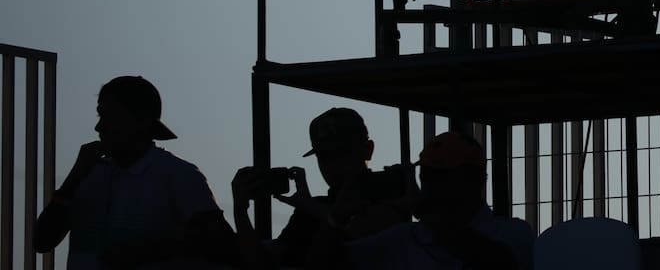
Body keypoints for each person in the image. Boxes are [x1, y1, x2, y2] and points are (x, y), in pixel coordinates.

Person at [32, 75, 237, 269]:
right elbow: (42, 242)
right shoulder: (88, 174)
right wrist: (73, 179)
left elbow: (222, 246)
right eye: (100, 115)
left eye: (111, 116)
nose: (99, 126)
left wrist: (151, 251)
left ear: (141, 122)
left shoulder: (178, 175)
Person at [232, 107, 408, 269]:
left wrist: (310, 206)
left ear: (367, 149)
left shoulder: (390, 185)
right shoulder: (310, 210)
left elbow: (374, 228)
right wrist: (241, 212)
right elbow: (262, 264)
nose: (334, 164)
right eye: (325, 156)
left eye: (341, 152)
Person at [339, 131, 533, 269]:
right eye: (428, 177)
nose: (433, 187)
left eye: (443, 177)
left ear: (476, 180)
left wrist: (423, 209)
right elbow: (329, 262)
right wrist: (336, 217)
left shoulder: (512, 233)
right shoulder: (404, 237)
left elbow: (495, 261)